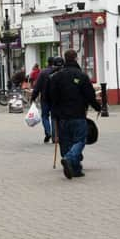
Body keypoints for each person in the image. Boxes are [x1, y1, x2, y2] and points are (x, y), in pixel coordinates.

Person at [47, 50, 101, 179]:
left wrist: (53, 112)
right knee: (80, 140)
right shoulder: (81, 76)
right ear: (76, 58)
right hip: (78, 114)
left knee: (66, 142)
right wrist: (97, 107)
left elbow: (50, 96)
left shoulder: (56, 77)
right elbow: (89, 95)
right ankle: (69, 158)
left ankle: (75, 169)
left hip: (62, 117)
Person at [30, 57, 56, 143]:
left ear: (47, 63)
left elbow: (37, 87)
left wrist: (33, 97)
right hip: (55, 99)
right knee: (54, 117)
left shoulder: (43, 72)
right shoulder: (58, 72)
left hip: (45, 98)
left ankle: (48, 132)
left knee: (45, 116)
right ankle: (55, 136)